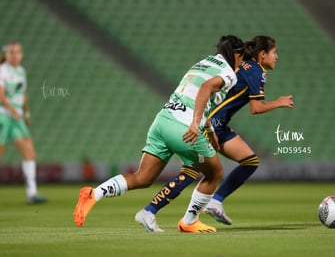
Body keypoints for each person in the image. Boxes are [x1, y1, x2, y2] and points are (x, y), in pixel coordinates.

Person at [73, 35, 244, 233]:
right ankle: (188, 222)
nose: (241, 64)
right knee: (214, 173)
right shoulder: (229, 73)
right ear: (236, 54)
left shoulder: (203, 63)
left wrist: (210, 129)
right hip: (184, 126)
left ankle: (95, 193)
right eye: (242, 59)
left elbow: (196, 96)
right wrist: (196, 123)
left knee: (143, 177)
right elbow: (206, 90)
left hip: (162, 120)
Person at [135, 36, 294, 232]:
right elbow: (256, 107)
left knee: (235, 164)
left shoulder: (242, 65)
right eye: (274, 53)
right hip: (212, 123)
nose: (277, 57)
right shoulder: (257, 71)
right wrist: (279, 102)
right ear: (262, 55)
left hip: (214, 121)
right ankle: (166, 212)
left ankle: (202, 205)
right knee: (201, 171)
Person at [0, 42, 47, 204]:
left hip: (17, 117)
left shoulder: (21, 71)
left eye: (18, 52)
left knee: (29, 152)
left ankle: (32, 193)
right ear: (5, 54)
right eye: (11, 52)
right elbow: (1, 95)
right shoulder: (2, 70)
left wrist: (26, 111)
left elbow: (23, 93)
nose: (15, 55)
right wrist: (12, 110)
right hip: (3, 116)